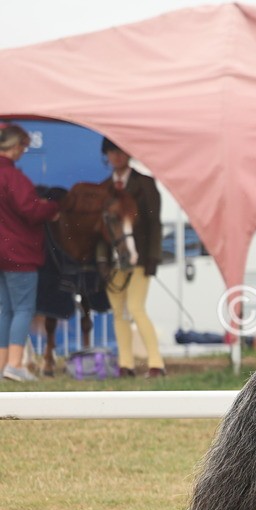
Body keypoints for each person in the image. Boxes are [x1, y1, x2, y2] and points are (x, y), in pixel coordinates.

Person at [99, 137, 165, 378]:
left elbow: (155, 224)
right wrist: (102, 261)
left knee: (136, 308)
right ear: (106, 156)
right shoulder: (103, 188)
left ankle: (156, 363)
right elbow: (99, 231)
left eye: (120, 151)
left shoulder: (145, 184)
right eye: (111, 152)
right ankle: (125, 365)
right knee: (119, 312)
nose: (116, 156)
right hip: (114, 261)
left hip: (139, 258)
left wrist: (153, 258)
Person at [0, 123, 59, 382]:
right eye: (23, 147)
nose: (24, 151)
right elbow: (30, 209)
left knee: (4, 310)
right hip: (19, 253)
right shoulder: (14, 178)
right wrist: (52, 207)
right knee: (23, 308)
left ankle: (2, 366)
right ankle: (15, 364)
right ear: (14, 148)